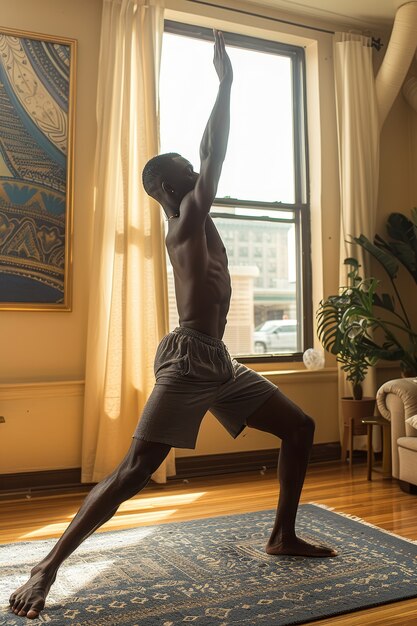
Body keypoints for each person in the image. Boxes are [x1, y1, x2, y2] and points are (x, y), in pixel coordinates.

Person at [9, 30, 336, 621]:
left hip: (219, 360)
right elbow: (215, 151)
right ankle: (45, 567)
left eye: (193, 170)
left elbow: (207, 157)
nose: (198, 174)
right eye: (186, 171)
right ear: (166, 186)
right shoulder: (184, 221)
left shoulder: (194, 219)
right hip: (189, 359)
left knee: (301, 427)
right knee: (136, 468)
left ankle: (281, 535)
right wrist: (227, 83)